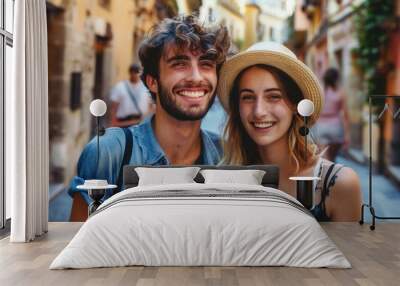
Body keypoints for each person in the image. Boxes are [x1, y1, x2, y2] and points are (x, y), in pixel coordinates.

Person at [69, 15, 230, 221]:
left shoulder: (227, 156)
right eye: (180, 64)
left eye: (206, 64)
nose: (196, 77)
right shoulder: (109, 152)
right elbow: (76, 241)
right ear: (153, 81)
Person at [217, 41, 361, 222]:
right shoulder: (225, 181)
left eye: (274, 96)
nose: (258, 111)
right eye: (247, 97)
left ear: (296, 105)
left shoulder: (339, 184)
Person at [314, 67, 351, 162]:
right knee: (332, 159)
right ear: (336, 79)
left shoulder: (318, 92)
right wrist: (347, 135)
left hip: (321, 126)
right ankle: (332, 174)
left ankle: (328, 174)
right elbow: (345, 115)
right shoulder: (340, 92)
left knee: (325, 159)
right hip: (336, 127)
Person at [109, 63, 154, 127]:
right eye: (134, 72)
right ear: (130, 73)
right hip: (123, 123)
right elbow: (114, 107)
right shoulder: (120, 87)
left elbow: (151, 105)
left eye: (138, 72)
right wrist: (112, 123)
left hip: (141, 122)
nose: (136, 74)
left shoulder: (146, 87)